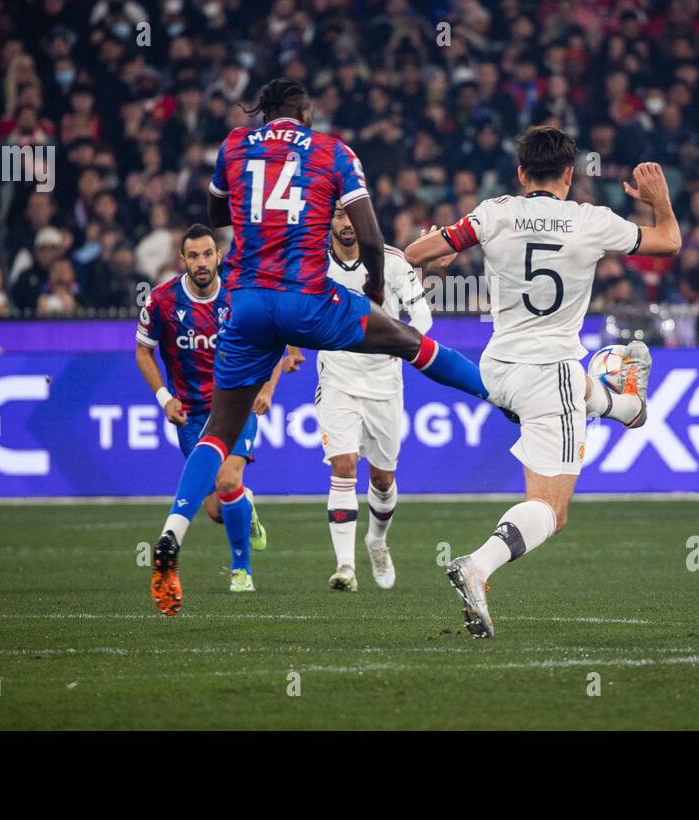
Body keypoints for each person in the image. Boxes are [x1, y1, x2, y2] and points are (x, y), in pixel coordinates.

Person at [149, 78, 507, 617]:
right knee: (412, 343)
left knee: (217, 431)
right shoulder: (332, 151)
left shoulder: (233, 146)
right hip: (308, 300)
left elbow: (220, 215)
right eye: (308, 111)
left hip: (245, 303)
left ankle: (172, 534)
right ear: (298, 111)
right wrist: (379, 287)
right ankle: (503, 398)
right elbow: (368, 232)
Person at [405, 129, 683, 638]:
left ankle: (626, 409)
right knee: (552, 512)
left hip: (497, 367)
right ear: (570, 176)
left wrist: (436, 259)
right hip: (548, 371)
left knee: (575, 381)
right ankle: (477, 567)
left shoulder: (494, 212)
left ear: (520, 174)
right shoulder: (590, 220)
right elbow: (669, 242)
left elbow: (416, 253)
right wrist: (659, 201)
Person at [136, 224, 290, 592]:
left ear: (219, 256)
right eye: (193, 256)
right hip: (191, 414)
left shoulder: (240, 296)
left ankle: (242, 570)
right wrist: (164, 398)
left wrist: (267, 390)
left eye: (207, 254)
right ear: (182, 260)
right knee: (217, 509)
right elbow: (143, 350)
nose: (201, 262)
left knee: (227, 479)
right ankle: (245, 507)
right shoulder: (162, 301)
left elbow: (274, 344)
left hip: (236, 404)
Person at [318, 205, 433, 592]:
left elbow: (423, 319)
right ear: (329, 221)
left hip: (384, 383)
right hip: (336, 377)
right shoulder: (314, 264)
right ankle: (345, 567)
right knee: (344, 466)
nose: (346, 223)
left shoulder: (392, 263)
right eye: (337, 215)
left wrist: (398, 342)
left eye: (352, 216)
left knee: (382, 481)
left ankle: (377, 542)